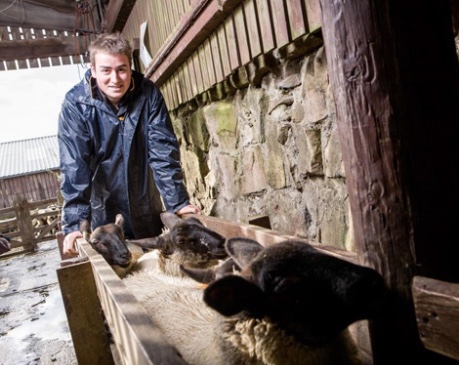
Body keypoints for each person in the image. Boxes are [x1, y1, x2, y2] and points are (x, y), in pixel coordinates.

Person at [58, 32, 200, 256]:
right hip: (103, 210)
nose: (115, 79)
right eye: (106, 70)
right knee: (118, 267)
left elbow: (162, 152)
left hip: (144, 202)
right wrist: (75, 224)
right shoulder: (76, 105)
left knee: (155, 262)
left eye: (121, 69)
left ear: (130, 67)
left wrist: (178, 203)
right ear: (93, 70)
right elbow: (75, 165)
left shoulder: (148, 93)